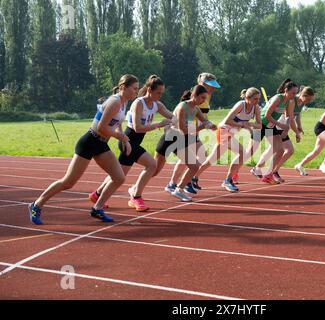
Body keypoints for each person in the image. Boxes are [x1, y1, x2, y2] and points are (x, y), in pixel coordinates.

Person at [28, 75, 139, 225]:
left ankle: (97, 208)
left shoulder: (124, 102)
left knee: (119, 177)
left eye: (137, 89)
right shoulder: (114, 102)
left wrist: (122, 136)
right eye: (134, 89)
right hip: (89, 142)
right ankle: (36, 205)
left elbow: (116, 122)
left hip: (101, 144)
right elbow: (101, 127)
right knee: (68, 182)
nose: (136, 92)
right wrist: (122, 138)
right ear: (123, 87)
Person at [89, 75, 173, 212]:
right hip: (128, 140)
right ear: (149, 90)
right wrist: (159, 125)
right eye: (158, 92)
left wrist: (186, 121)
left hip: (134, 142)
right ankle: (136, 195)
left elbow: (172, 116)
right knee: (152, 165)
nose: (160, 95)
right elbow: (137, 127)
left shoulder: (157, 105)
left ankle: (97, 194)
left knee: (119, 174)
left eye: (162, 93)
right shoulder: (139, 103)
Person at [154, 85, 217, 202]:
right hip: (170, 138)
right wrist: (201, 128)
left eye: (205, 99)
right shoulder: (182, 107)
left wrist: (210, 125)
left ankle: (179, 189)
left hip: (180, 140)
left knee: (194, 166)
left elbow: (205, 120)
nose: (204, 101)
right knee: (154, 170)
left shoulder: (196, 108)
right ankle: (135, 189)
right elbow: (182, 129)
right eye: (202, 98)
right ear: (194, 95)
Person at [194, 87, 262, 192]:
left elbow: (259, 125)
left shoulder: (256, 108)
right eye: (255, 99)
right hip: (224, 130)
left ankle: (195, 177)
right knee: (238, 153)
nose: (257, 101)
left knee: (214, 159)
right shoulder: (241, 105)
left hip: (231, 133)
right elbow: (227, 120)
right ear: (247, 98)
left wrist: (250, 124)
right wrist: (243, 125)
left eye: (258, 99)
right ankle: (227, 180)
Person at [166, 73, 221, 195]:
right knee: (194, 156)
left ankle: (177, 182)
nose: (213, 89)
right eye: (211, 86)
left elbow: (203, 116)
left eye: (214, 86)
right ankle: (181, 182)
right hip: (187, 128)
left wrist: (208, 124)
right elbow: (188, 116)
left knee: (195, 156)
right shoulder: (196, 95)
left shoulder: (206, 96)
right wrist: (198, 128)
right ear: (202, 83)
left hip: (194, 127)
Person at [240, 79, 301, 184]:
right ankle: (234, 173)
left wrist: (295, 131)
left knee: (280, 150)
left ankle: (268, 175)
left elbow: (290, 118)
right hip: (261, 125)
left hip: (271, 127)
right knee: (250, 152)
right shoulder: (277, 99)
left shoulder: (290, 102)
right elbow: (267, 115)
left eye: (296, 93)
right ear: (286, 90)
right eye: (293, 93)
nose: (294, 95)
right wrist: (280, 125)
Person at [251, 86, 315, 183]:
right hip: (278, 126)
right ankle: (272, 171)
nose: (309, 101)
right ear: (302, 95)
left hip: (282, 126)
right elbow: (290, 117)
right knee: (287, 150)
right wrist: (296, 132)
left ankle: (260, 169)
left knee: (274, 149)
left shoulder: (301, 103)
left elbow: (297, 116)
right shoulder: (292, 101)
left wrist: (299, 127)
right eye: (308, 99)